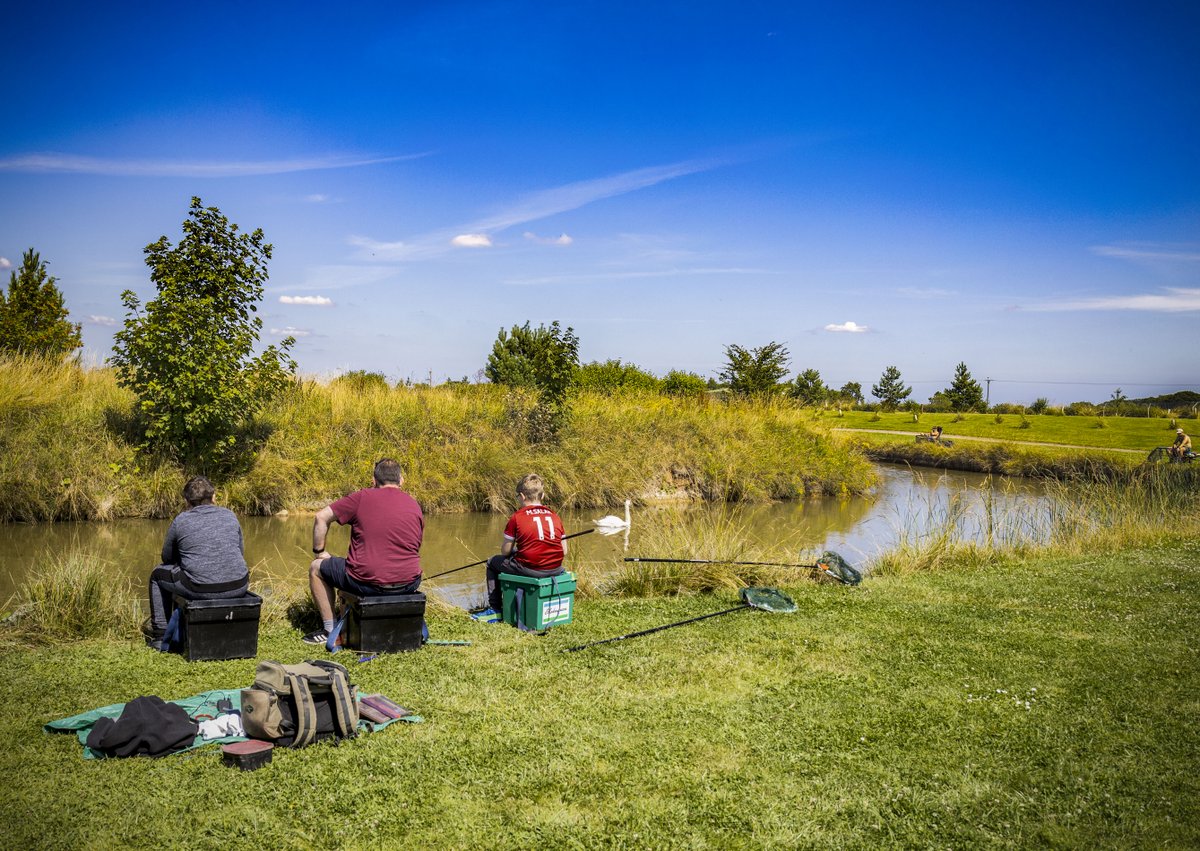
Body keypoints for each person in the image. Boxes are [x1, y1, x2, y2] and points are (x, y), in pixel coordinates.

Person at [305, 458, 423, 645]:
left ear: (374, 480)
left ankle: (329, 630)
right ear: (401, 480)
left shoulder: (362, 497)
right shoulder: (414, 504)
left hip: (366, 583)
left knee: (316, 568)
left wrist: (319, 551)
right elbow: (415, 546)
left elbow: (321, 517)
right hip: (409, 583)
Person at [145, 476, 249, 650]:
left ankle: (160, 636)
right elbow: (240, 552)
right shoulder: (230, 515)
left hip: (200, 588)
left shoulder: (181, 520)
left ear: (187, 501)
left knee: (157, 574)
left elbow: (167, 558)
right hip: (239, 586)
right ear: (214, 496)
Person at [478, 473, 567, 618]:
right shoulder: (554, 516)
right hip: (556, 569)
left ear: (522, 496)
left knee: (492, 562)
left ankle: (495, 609)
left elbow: (506, 552)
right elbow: (564, 550)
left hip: (531, 569)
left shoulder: (517, 517)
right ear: (542, 496)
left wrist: (515, 551)